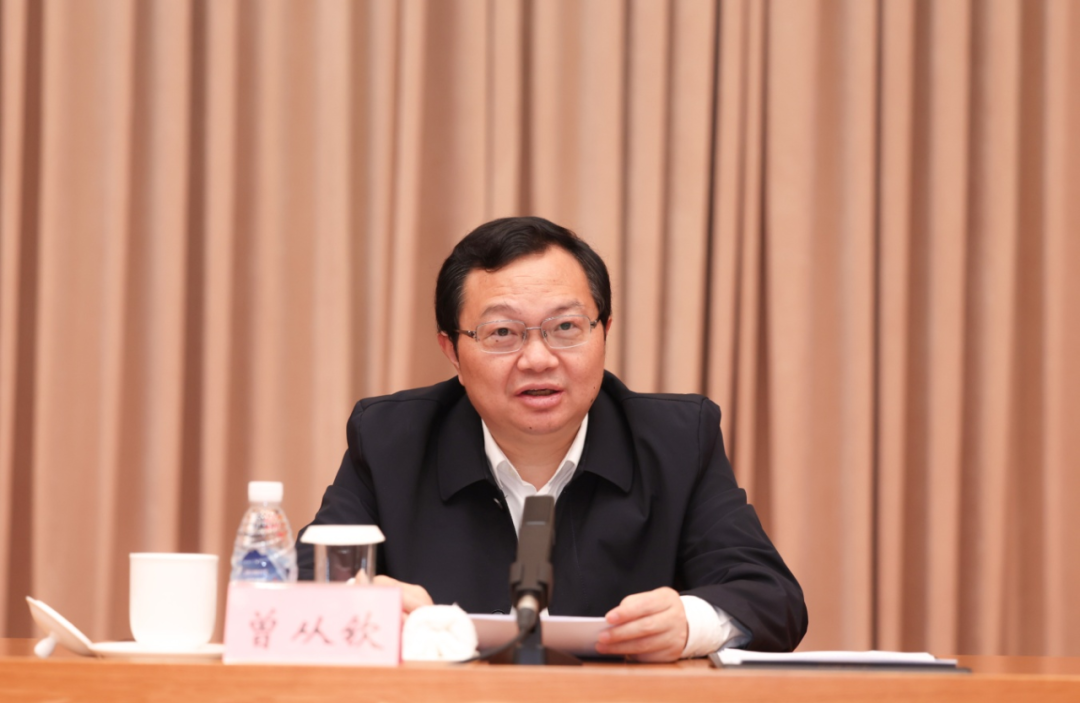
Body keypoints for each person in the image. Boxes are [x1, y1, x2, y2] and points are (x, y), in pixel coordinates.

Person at [297, 216, 807, 661]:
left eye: (565, 327)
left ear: (604, 331)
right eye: (502, 333)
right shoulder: (391, 440)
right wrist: (360, 607)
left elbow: (772, 599)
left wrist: (691, 624)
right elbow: (291, 590)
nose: (538, 359)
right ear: (452, 352)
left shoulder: (675, 442)